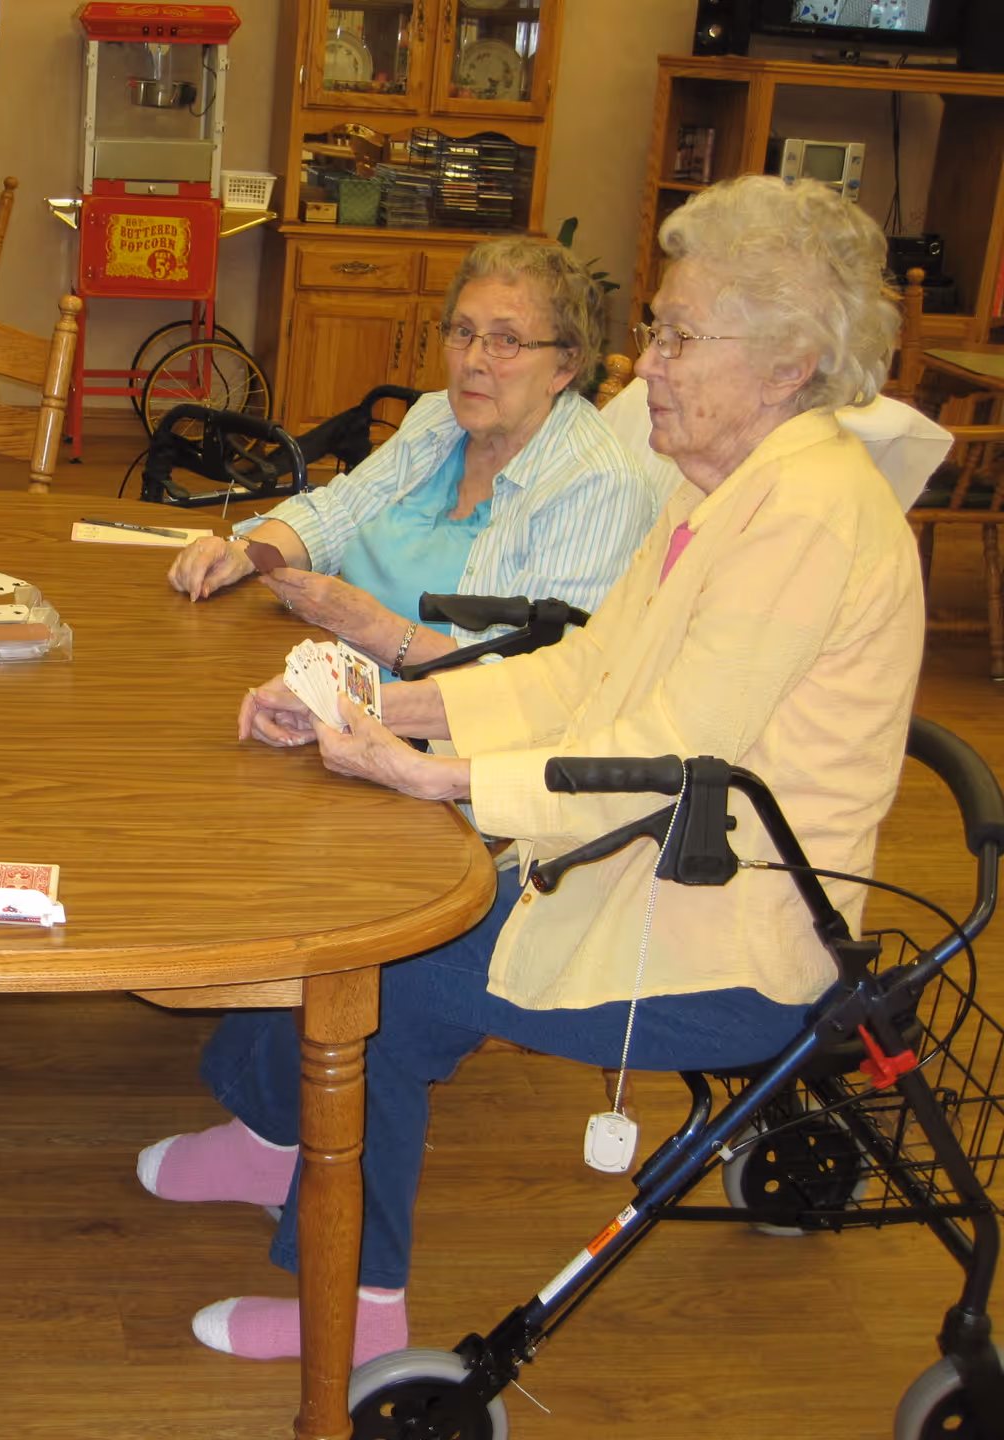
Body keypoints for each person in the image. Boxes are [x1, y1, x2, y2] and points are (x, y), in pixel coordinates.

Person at [143, 176, 922, 1367]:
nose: (644, 365)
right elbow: (583, 675)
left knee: (384, 978)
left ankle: (358, 1313)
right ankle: (269, 1130)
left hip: (725, 938)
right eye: (655, 328)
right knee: (342, 909)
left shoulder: (806, 517)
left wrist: (432, 779)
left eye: (676, 336)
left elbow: (665, 757)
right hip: (643, 870)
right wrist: (379, 709)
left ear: (785, 365)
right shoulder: (733, 493)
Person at [167, 237, 666, 675]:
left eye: (506, 340)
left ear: (565, 364)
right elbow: (338, 512)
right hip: (322, 669)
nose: (472, 361)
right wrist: (239, 552)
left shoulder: (595, 485)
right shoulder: (439, 418)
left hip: (430, 741)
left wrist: (373, 629)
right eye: (463, 332)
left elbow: (532, 681)